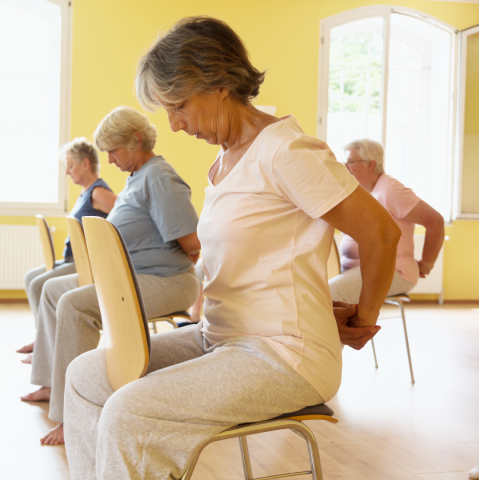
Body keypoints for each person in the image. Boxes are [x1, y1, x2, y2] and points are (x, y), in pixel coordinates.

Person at [63, 17, 400, 479]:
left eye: (179, 106)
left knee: (130, 412)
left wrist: (361, 318)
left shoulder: (288, 151)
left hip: (283, 354)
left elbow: (381, 233)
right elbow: (250, 260)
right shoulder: (222, 163)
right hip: (219, 338)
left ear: (218, 82)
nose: (176, 125)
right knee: (84, 377)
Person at [20, 106, 200, 446]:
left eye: (113, 151)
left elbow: (192, 242)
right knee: (55, 291)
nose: (111, 160)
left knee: (74, 305)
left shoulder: (159, 176)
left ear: (135, 140)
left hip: (167, 280)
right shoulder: (139, 177)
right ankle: (50, 382)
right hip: (137, 274)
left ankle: (71, 415)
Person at [17, 139, 116, 362]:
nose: (67, 172)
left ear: (86, 164)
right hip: (73, 258)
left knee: (38, 284)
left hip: (86, 262)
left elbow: (125, 217)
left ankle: (46, 348)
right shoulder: (86, 192)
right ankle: (43, 339)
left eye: (70, 166)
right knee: (31, 278)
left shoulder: (99, 192)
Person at [329, 139, 444, 304]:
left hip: (394, 270)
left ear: (371, 164)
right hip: (360, 269)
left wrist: (427, 263)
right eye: (345, 161)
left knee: (330, 294)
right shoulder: (364, 192)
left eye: (351, 161)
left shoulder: (391, 190)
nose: (346, 166)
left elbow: (436, 221)